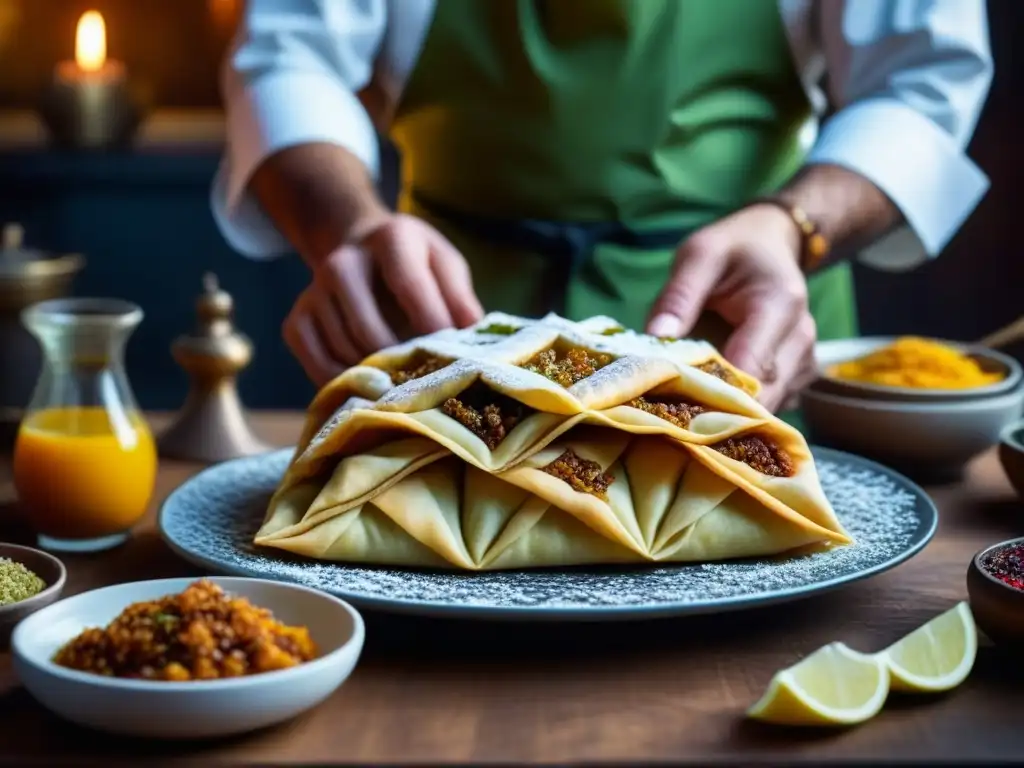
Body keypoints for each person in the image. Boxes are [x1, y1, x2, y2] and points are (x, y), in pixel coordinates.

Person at [212, 0, 992, 414]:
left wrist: (795, 225)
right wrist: (349, 226)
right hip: (447, 337)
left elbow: (923, 81)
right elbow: (287, 56)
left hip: (745, 332)